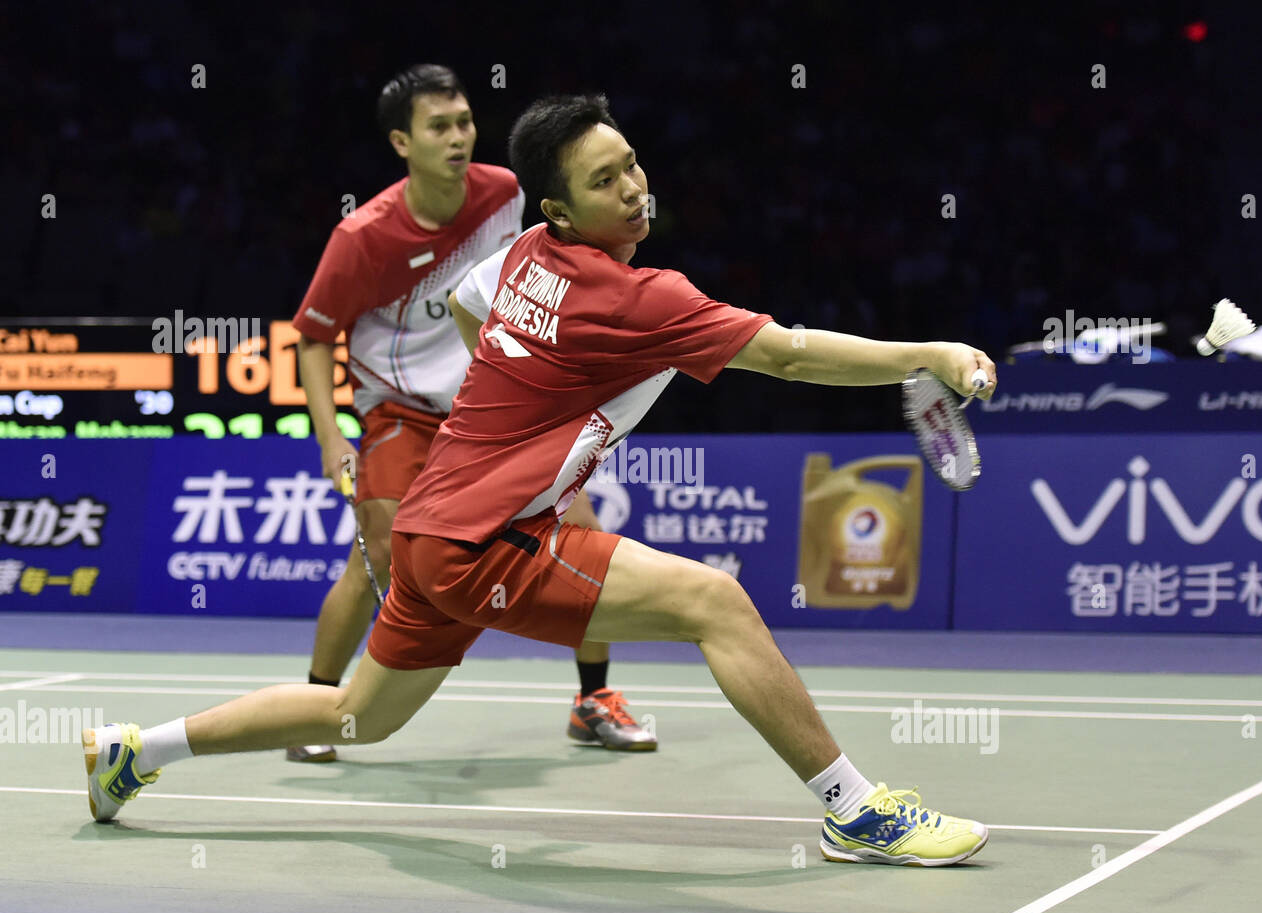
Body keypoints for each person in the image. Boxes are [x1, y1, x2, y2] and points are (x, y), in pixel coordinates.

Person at [84, 94, 997, 866]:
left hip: (432, 533)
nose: (635, 187)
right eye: (606, 182)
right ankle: (856, 810)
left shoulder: (519, 255)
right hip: (485, 544)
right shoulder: (643, 300)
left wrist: (524, 407)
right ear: (559, 211)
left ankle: (136, 749)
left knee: (359, 717)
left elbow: (461, 302)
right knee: (714, 602)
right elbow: (792, 358)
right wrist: (935, 352)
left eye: (633, 164)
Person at [290, 65, 653, 761]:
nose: (458, 138)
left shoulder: (505, 194)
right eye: (439, 128)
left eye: (464, 122)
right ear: (402, 142)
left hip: (492, 410)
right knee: (377, 547)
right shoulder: (362, 236)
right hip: (401, 411)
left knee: (581, 530)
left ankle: (593, 700)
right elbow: (312, 337)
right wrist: (330, 434)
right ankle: (316, 708)